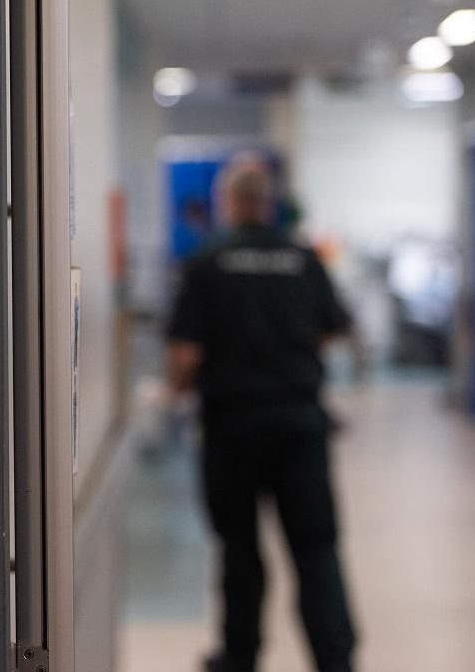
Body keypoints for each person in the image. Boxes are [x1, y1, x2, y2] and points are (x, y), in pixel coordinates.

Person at [166, 155, 357, 672]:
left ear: (228, 203)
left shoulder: (207, 262)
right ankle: (335, 659)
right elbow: (337, 326)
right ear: (269, 204)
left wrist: (172, 395)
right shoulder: (302, 257)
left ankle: (241, 654)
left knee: (240, 549)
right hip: (299, 422)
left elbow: (187, 354)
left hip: (233, 427)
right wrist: (287, 346)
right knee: (316, 548)